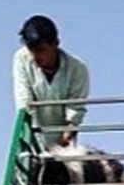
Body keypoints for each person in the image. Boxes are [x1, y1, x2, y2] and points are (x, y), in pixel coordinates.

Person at [12, 15, 90, 147]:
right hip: (31, 141)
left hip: (63, 145)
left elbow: (75, 111)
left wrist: (60, 145)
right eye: (31, 50)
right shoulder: (21, 59)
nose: (36, 56)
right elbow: (24, 104)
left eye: (41, 50)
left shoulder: (78, 69)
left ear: (56, 44)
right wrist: (36, 147)